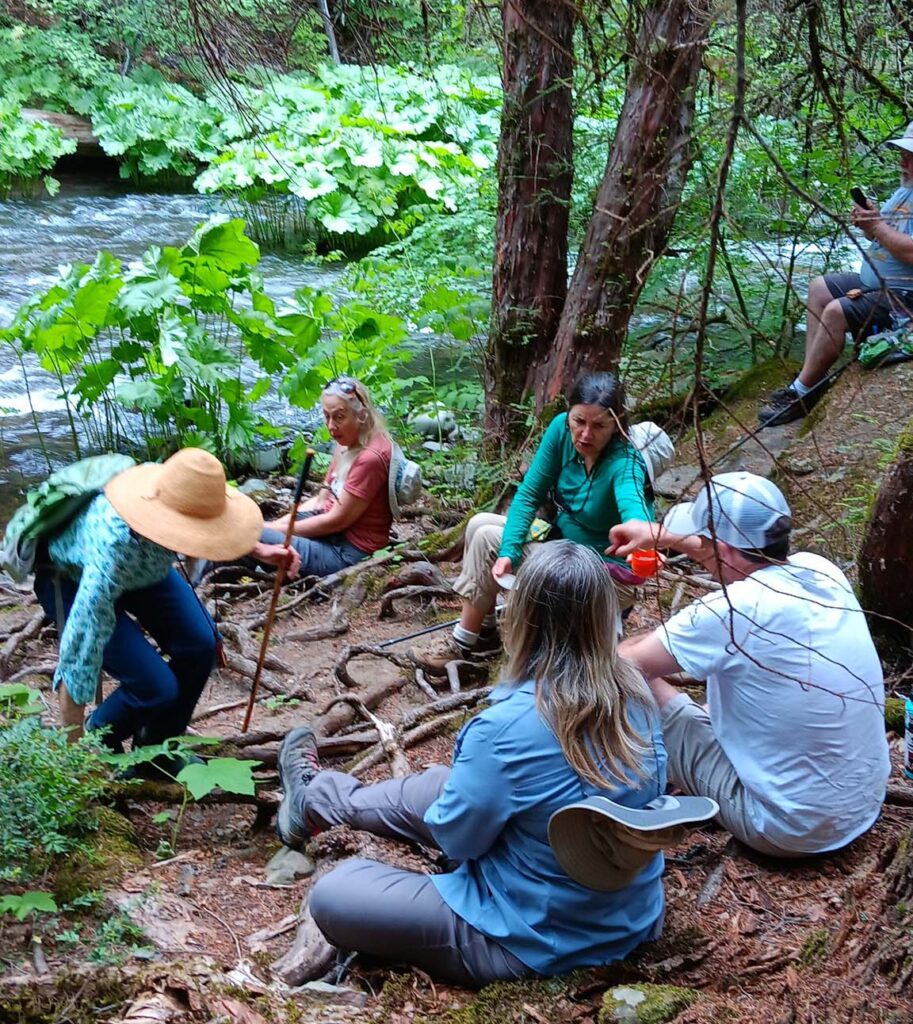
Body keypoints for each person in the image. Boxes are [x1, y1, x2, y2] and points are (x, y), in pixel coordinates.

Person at [274, 542, 668, 987]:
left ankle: (317, 801)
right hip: (630, 915)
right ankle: (314, 800)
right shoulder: (637, 693)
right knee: (441, 784)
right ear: (605, 617)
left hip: (526, 939)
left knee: (335, 895)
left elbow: (458, 841)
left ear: (524, 618)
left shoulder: (503, 728)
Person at [610, 471, 891, 857]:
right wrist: (667, 537)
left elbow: (623, 666)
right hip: (859, 805)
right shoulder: (820, 570)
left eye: (705, 541)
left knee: (634, 674)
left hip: (786, 827)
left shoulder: (733, 609)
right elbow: (728, 548)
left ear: (721, 547)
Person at [412, 371, 654, 672]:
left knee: (488, 535)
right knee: (480, 526)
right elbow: (528, 495)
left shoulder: (625, 463)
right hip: (562, 547)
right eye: (579, 421)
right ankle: (480, 634)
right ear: (569, 414)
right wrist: (509, 552)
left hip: (603, 576)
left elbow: (634, 508)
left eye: (599, 426)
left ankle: (471, 643)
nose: (585, 435)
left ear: (617, 425)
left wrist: (642, 536)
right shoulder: (560, 432)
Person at [33, 448, 263, 756]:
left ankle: (156, 750)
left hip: (146, 566)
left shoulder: (174, 486)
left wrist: (260, 551)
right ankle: (97, 738)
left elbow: (213, 526)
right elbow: (78, 657)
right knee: (155, 687)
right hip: (73, 578)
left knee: (200, 644)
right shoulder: (115, 549)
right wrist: (74, 760)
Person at [759, 122, 913, 426]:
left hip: (904, 299)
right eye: (903, 153)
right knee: (819, 288)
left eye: (910, 156)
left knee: (835, 312)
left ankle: (800, 393)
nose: (903, 160)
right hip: (878, 286)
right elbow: (882, 234)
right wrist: (871, 220)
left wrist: (877, 227)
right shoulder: (904, 191)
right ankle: (811, 381)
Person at [251, 377, 395, 580]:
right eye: (326, 416)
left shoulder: (371, 458)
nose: (331, 426)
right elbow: (321, 500)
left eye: (339, 417)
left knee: (249, 536)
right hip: (331, 535)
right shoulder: (346, 442)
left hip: (348, 553)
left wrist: (271, 529)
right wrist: (277, 525)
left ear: (361, 415)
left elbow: (335, 521)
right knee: (251, 532)